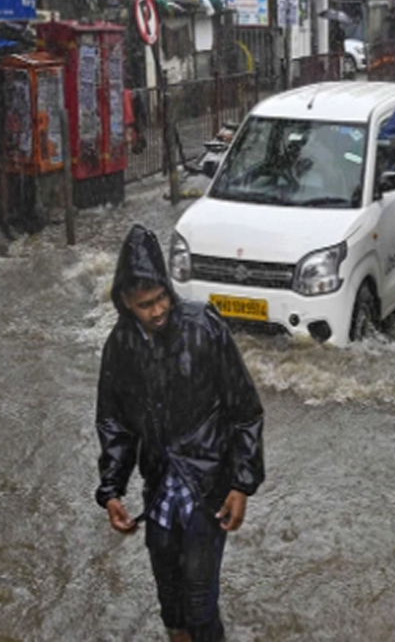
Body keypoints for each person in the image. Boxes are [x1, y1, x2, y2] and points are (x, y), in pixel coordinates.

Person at [95, 224, 265, 641]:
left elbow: (245, 409)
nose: (156, 311)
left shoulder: (203, 326)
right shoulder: (120, 346)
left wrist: (241, 485)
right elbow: (115, 423)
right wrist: (112, 490)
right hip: (159, 492)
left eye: (161, 299)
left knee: (200, 606)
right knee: (171, 607)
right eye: (144, 305)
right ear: (124, 302)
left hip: (207, 488)